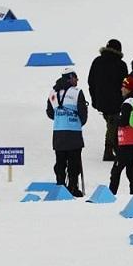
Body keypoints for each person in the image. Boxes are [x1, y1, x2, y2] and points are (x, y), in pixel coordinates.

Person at [46, 68, 88, 197]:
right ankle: (73, 188)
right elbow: (83, 115)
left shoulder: (52, 93)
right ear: (70, 77)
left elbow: (50, 113)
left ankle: (60, 187)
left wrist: (61, 118)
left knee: (60, 162)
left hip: (58, 132)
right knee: (74, 163)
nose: (77, 80)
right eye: (75, 77)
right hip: (73, 132)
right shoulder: (77, 92)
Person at [88, 39, 128, 161]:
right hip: (116, 101)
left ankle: (115, 149)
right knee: (113, 123)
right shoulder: (121, 65)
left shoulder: (97, 61)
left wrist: (95, 99)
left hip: (100, 100)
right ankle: (109, 150)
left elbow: (91, 82)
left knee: (112, 123)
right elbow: (124, 84)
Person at [109, 76, 133, 195]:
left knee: (116, 171)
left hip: (127, 142)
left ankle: (111, 194)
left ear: (129, 89)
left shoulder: (128, 101)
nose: (121, 89)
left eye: (124, 87)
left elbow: (124, 121)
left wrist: (116, 120)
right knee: (132, 171)